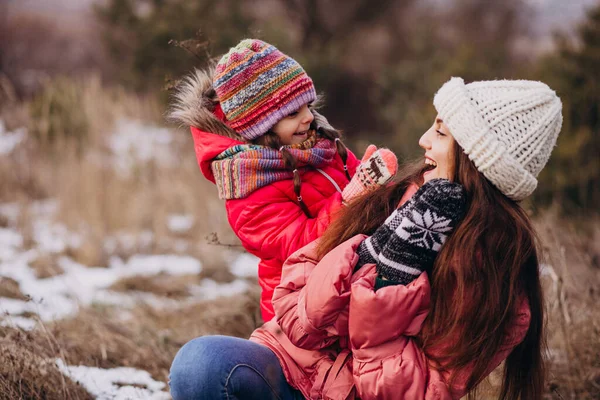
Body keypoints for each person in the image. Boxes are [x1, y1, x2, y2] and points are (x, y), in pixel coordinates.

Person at [169, 77, 562, 400]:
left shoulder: (497, 280)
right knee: (199, 364)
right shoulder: (398, 199)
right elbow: (293, 299)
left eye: (440, 132)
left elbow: (415, 393)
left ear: (477, 158)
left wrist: (391, 283)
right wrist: (368, 253)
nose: (424, 139)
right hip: (292, 366)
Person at [168, 39, 398, 322]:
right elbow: (300, 245)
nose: (308, 118)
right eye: (292, 113)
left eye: (308, 106)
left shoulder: (321, 145)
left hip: (348, 281)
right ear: (259, 125)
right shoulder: (248, 189)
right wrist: (353, 196)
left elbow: (357, 183)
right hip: (299, 312)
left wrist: (383, 188)